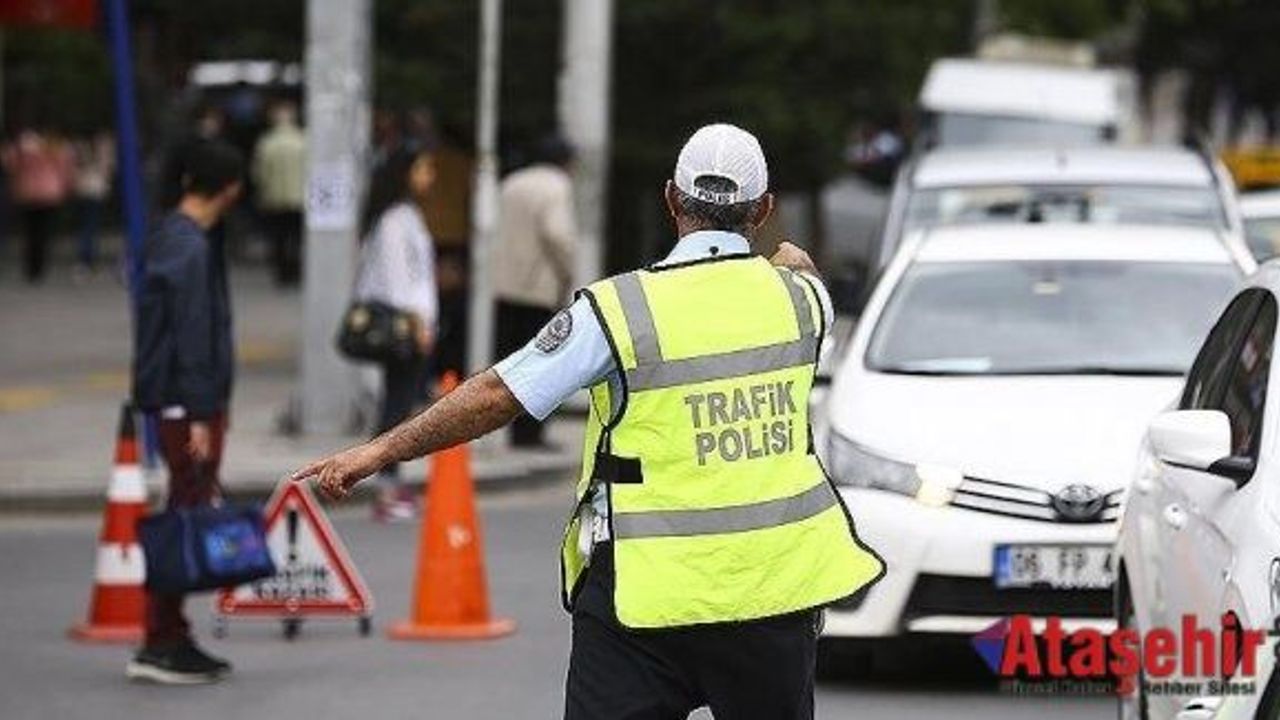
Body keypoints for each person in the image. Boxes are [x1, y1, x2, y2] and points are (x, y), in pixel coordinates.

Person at [294, 123, 886, 719]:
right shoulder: (803, 302)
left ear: (671, 200)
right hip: (772, 595)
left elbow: (498, 394)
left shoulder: (618, 311)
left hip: (643, 598)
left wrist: (377, 453)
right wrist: (790, 261)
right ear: (763, 209)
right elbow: (802, 269)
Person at [129, 140, 244, 684]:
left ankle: (168, 633)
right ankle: (162, 639)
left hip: (178, 399)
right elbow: (192, 336)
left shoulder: (170, 235)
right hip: (186, 403)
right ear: (230, 189)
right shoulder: (190, 248)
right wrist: (202, 413)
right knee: (184, 513)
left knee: (185, 507)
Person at [353, 148, 438, 522]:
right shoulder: (394, 220)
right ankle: (386, 484)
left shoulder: (405, 215)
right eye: (422, 168)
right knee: (396, 404)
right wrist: (418, 323)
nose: (429, 176)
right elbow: (396, 280)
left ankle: (390, 481)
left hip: (413, 323)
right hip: (403, 325)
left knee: (400, 401)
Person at [493, 135, 577, 448]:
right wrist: (567, 270)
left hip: (504, 284)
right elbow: (557, 233)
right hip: (538, 287)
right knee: (542, 363)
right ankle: (531, 434)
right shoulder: (557, 186)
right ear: (566, 162)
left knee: (511, 361)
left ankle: (512, 429)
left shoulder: (511, 183)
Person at [3, 125, 73, 283]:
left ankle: (30, 267)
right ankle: (39, 268)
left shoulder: (23, 146)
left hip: (28, 193)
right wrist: (65, 187)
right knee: (43, 233)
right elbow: (64, 168)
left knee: (30, 232)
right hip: (49, 193)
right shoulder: (55, 146)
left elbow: (10, 164)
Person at [252, 100, 306, 286]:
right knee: (297, 237)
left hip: (275, 198)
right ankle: (295, 270)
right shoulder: (303, 141)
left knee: (279, 238)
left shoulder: (267, 143)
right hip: (300, 198)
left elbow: (260, 173)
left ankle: (283, 272)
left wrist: (262, 193)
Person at [71, 129, 116, 277]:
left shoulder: (80, 147)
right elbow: (108, 169)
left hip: (83, 188)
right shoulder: (103, 147)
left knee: (85, 224)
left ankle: (85, 257)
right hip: (95, 189)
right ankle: (87, 258)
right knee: (91, 225)